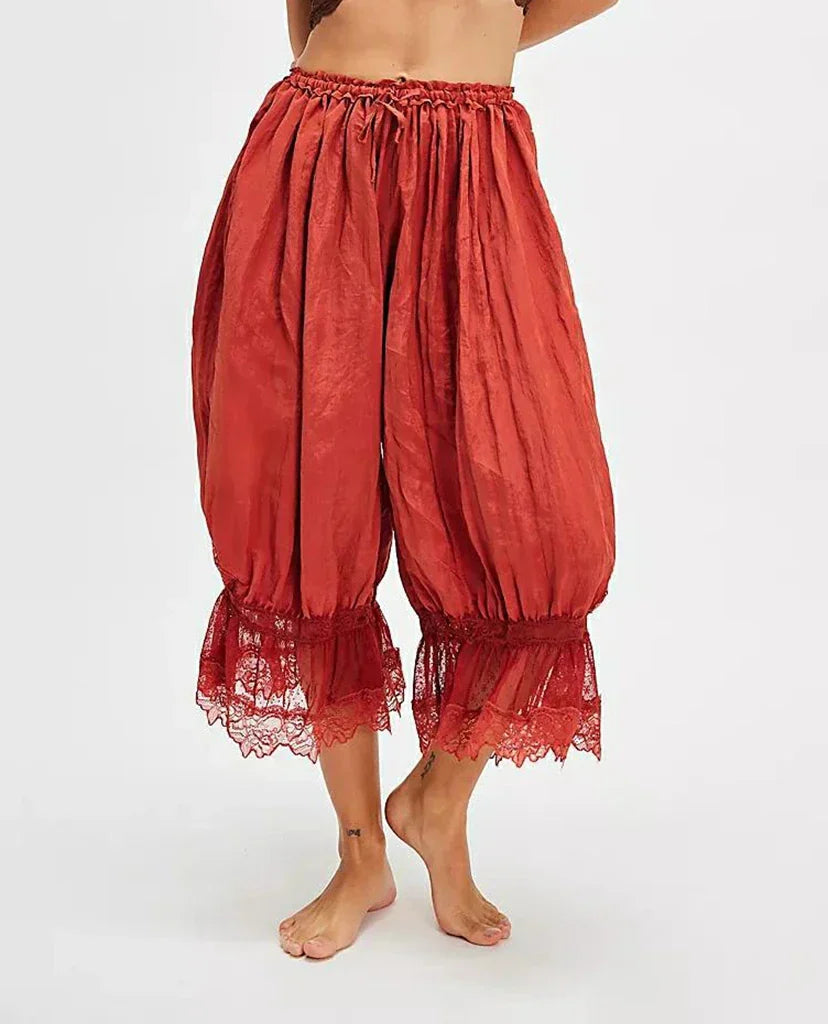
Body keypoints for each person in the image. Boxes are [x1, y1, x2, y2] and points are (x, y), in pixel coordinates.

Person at [191, 0, 618, 958]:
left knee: (550, 525)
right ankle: (360, 856)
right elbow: (305, 20)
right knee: (305, 511)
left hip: (477, 166)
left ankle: (436, 802)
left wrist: (485, 24)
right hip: (318, 150)